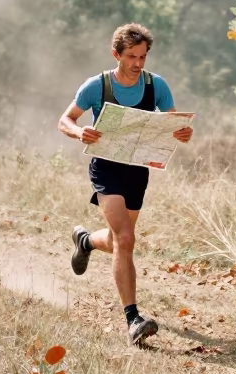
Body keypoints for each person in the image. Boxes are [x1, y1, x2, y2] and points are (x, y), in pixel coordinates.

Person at [57, 23, 193, 344]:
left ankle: (86, 242)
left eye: (143, 56)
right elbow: (65, 119)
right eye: (131, 56)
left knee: (121, 241)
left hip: (137, 170)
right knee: (127, 237)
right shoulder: (97, 86)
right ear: (116, 54)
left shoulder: (156, 85)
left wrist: (181, 132)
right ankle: (133, 319)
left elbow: (171, 122)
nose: (138, 63)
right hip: (105, 168)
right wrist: (79, 132)